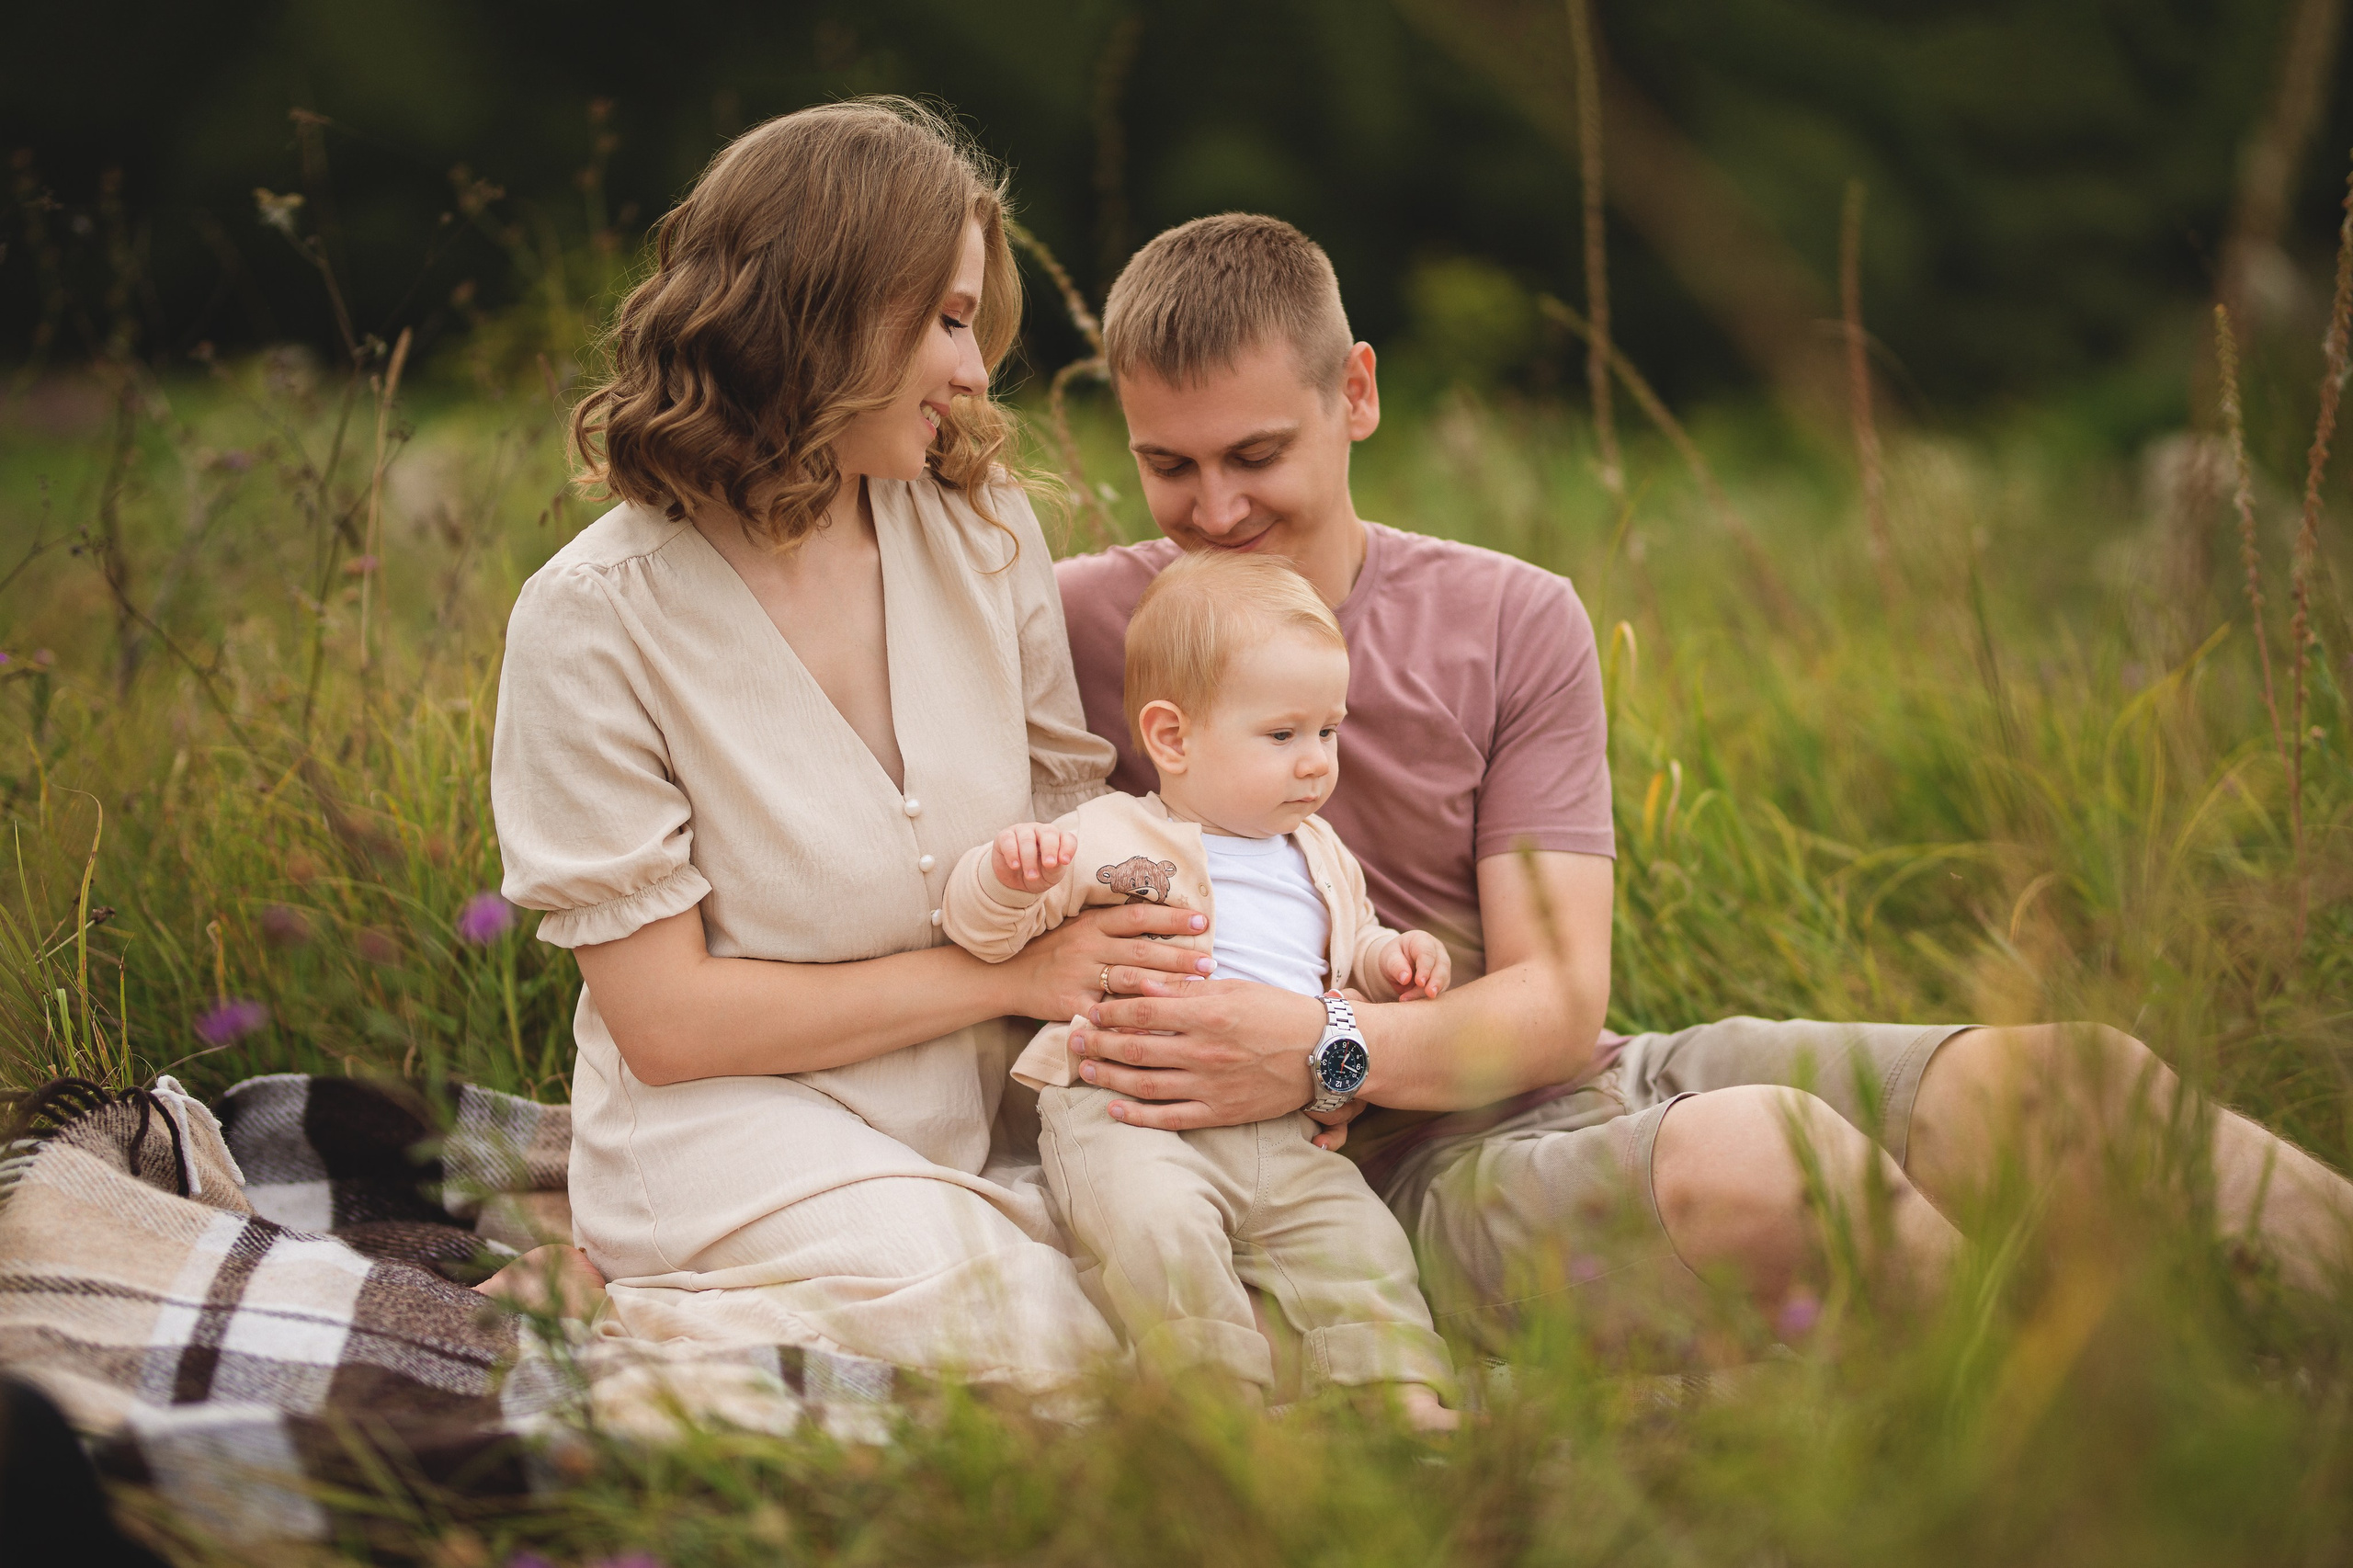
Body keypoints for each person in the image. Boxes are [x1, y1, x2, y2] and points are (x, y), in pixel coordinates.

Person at [1052, 213, 2353, 1349]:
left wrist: (1325, 1047)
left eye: (1255, 456)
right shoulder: (1077, 628)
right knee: (1779, 1156)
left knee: (2079, 1085)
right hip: (1372, 1184)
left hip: (1574, 1077)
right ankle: (2111, 1447)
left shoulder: (1510, 615)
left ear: (1356, 394)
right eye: (1169, 466)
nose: (1213, 510)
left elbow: (1556, 1002)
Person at [490, 99, 1216, 1386]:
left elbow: (1070, 820)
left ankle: (634, 1277)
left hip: (982, 1113)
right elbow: (669, 1024)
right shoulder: (591, 620)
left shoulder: (983, 529)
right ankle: (638, 1286)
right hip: (730, 1125)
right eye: (946, 322)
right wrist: (1007, 979)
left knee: (1212, 1281)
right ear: (821, 317)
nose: (975, 373)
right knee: (1042, 1344)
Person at [941, 551, 1457, 1425]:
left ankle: (1397, 1394)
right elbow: (981, 933)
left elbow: (1351, 947)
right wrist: (1004, 878)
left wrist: (1393, 959)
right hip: (1127, 1112)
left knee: (1361, 1243)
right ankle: (1213, 1398)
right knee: (1157, 1229)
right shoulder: (1110, 834)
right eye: (1283, 735)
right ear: (1174, 738)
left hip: (1283, 1129)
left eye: (1329, 731)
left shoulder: (1318, 853)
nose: (1316, 763)